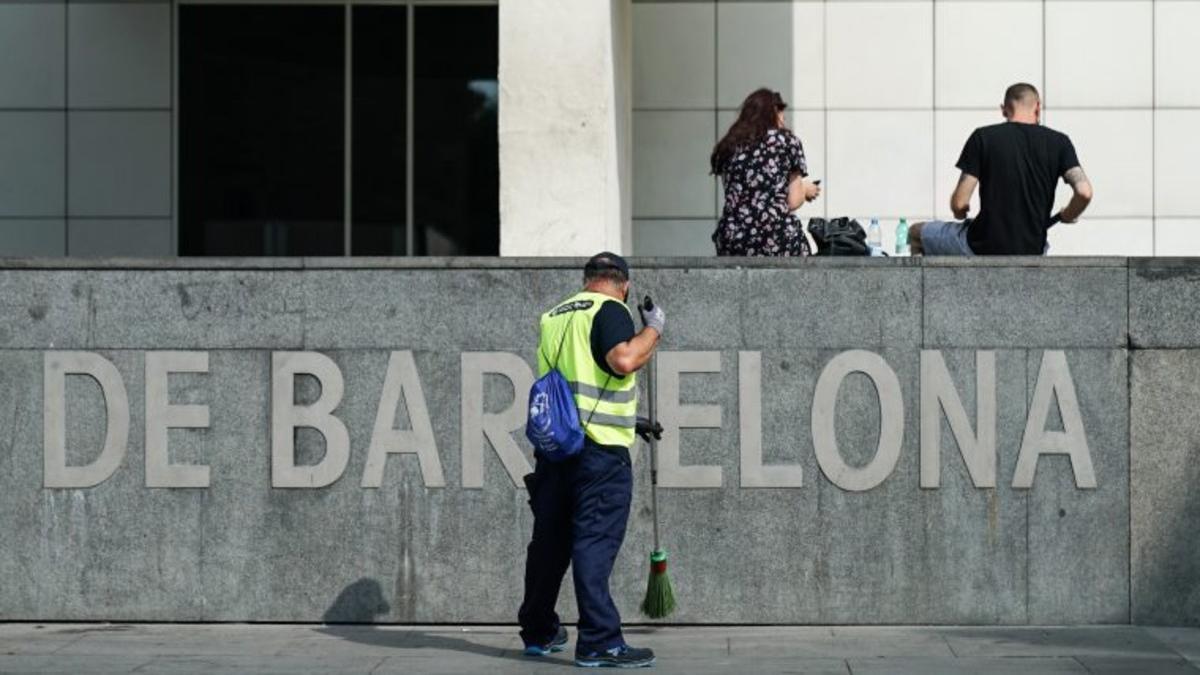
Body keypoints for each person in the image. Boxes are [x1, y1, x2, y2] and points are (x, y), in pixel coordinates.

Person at [518, 252, 664, 669]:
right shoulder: (611, 308)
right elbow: (623, 360)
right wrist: (653, 330)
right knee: (593, 543)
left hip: (557, 448)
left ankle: (539, 630)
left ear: (586, 280)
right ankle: (599, 640)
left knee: (549, 544)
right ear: (625, 285)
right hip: (600, 455)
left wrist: (630, 420)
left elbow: (576, 381)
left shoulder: (556, 315)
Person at [910, 83, 1094, 255]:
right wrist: (1068, 214)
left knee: (916, 233)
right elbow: (1084, 192)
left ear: (1004, 109)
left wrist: (960, 211)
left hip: (981, 245)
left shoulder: (983, 137)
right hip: (1032, 249)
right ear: (1038, 107)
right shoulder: (1059, 142)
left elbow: (959, 203)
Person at [711, 88, 821, 256]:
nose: (784, 118)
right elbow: (793, 201)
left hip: (733, 240)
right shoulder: (787, 141)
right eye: (782, 112)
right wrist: (805, 189)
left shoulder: (730, 144)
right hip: (776, 237)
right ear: (775, 112)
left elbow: (735, 197)